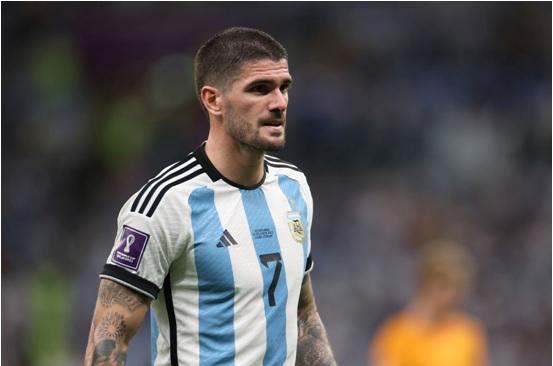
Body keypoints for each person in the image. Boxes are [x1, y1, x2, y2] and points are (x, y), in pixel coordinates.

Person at [84, 27, 336, 366]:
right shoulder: (165, 205)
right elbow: (107, 343)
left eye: (283, 87)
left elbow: (303, 316)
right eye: (260, 89)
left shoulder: (294, 189)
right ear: (212, 99)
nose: (278, 103)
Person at [368, 240, 488, 366]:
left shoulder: (468, 334)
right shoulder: (398, 334)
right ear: (423, 284)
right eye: (444, 285)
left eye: (457, 286)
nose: (452, 295)